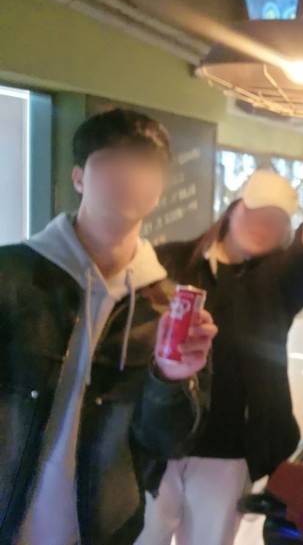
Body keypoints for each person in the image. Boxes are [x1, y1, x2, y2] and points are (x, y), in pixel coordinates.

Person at [0, 108, 217, 545]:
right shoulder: (12, 275)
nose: (129, 174)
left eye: (145, 164)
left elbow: (165, 443)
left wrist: (171, 379)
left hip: (104, 528)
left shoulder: (164, 305)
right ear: (79, 177)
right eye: (112, 159)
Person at [135, 153, 303, 545]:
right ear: (233, 210)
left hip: (228, 450)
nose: (263, 225)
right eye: (255, 213)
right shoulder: (171, 261)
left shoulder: (277, 280)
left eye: (276, 221)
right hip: (159, 440)